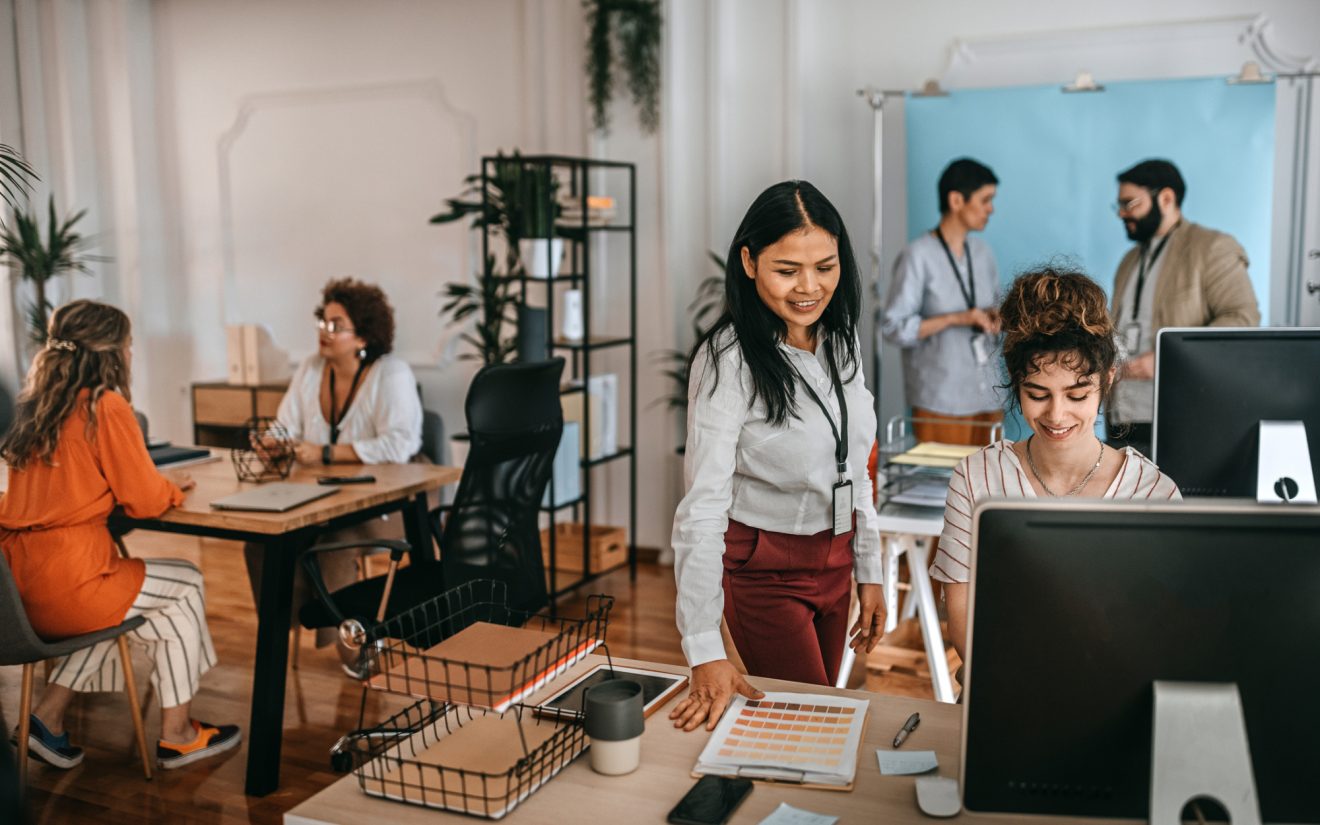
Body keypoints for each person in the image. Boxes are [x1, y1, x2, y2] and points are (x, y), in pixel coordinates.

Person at [669, 181, 886, 733]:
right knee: (812, 721)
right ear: (748, 261)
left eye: (826, 267)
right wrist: (703, 648)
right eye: (786, 270)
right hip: (767, 571)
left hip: (836, 560)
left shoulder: (841, 338)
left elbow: (856, 466)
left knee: (819, 712)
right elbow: (702, 505)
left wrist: (870, 569)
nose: (809, 288)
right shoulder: (727, 361)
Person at [0, 300, 240, 770]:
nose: (132, 355)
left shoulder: (30, 408)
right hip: (72, 581)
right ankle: (178, 734)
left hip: (18, 587)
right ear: (111, 353)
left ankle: (47, 718)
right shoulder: (103, 406)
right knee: (186, 582)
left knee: (140, 606)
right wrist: (172, 486)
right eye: (129, 346)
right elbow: (146, 501)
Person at [931, 268, 1182, 662]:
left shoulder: (1152, 492)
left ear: (1108, 379)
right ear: (1017, 384)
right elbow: (962, 620)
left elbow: (1163, 626)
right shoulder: (977, 476)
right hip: (1006, 686)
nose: (1057, 415)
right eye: (1037, 394)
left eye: (1077, 394)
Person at [244, 277, 422, 666]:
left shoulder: (391, 374)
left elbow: (400, 445)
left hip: (388, 502)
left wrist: (326, 451)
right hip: (320, 493)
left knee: (334, 536)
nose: (324, 333)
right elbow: (286, 426)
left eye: (336, 326)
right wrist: (273, 441)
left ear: (363, 337)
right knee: (260, 539)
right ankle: (283, 630)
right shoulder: (310, 368)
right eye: (322, 323)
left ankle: (353, 644)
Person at [1107, 159, 1260, 455]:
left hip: (1182, 415)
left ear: (1166, 198)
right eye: (1119, 206)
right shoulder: (1128, 262)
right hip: (1122, 415)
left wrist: (1168, 356)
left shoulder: (1212, 247)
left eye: (1129, 203)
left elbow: (1242, 319)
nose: (1123, 214)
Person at [883, 158, 1003, 446]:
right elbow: (893, 327)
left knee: (990, 485)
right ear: (956, 200)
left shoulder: (983, 253)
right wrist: (956, 319)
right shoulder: (917, 256)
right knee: (940, 487)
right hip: (941, 401)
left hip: (989, 396)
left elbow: (994, 306)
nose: (991, 209)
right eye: (985, 200)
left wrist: (996, 318)